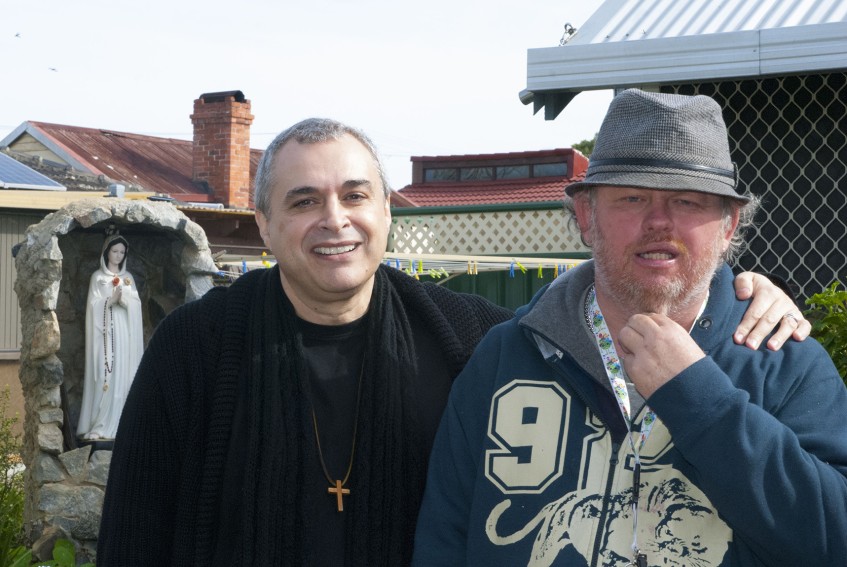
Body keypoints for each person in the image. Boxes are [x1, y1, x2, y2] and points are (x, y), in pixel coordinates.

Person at [96, 117, 808, 566]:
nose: (333, 219)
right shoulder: (193, 347)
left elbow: (626, 300)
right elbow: (133, 531)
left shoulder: (468, 335)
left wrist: (734, 288)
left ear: (386, 212)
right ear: (262, 224)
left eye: (354, 195)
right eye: (303, 200)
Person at [413, 90, 847, 566]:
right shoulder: (504, 357)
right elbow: (444, 537)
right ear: (585, 215)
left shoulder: (786, 360)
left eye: (687, 200)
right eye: (632, 197)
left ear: (729, 225)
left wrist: (702, 401)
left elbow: (834, 539)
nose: (658, 221)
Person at [77, 233, 143, 441]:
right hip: (104, 337)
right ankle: (100, 423)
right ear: (106, 253)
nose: (118, 256)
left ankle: (123, 424)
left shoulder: (128, 278)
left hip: (123, 334)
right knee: (106, 376)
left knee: (122, 376)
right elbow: (92, 307)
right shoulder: (97, 278)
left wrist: (125, 301)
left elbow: (137, 306)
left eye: (122, 253)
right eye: (114, 251)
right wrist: (109, 301)